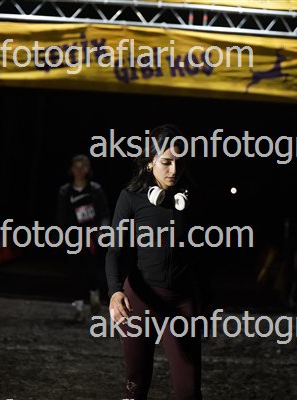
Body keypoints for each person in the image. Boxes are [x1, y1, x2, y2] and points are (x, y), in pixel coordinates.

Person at [106, 124, 202, 400]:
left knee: (188, 390)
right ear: (150, 163)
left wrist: (205, 301)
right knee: (136, 385)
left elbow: (204, 257)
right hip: (139, 300)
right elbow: (114, 251)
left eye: (179, 162)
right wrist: (114, 292)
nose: (174, 170)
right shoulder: (130, 198)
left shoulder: (192, 199)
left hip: (181, 302)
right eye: (166, 162)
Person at [57, 154, 110, 320]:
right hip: (73, 237)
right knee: (75, 271)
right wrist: (62, 234)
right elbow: (61, 216)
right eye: (76, 167)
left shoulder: (95, 189)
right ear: (71, 169)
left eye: (83, 167)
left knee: (91, 270)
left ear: (88, 169)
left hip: (91, 237)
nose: (79, 171)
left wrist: (102, 230)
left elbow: (104, 213)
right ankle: (79, 308)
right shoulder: (65, 191)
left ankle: (94, 295)